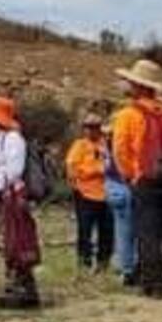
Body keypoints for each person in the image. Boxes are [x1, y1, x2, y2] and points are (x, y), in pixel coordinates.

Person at [111, 59, 162, 298]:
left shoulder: (128, 115)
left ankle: (153, 284)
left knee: (148, 233)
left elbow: (120, 151)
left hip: (146, 181)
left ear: (136, 85)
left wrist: (131, 176)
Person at [0, 95, 41, 309]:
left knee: (16, 242)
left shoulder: (13, 139)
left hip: (10, 196)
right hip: (0, 197)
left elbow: (13, 171)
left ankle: (22, 288)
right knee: (9, 242)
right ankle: (19, 287)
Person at [65, 113, 114, 272]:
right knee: (85, 230)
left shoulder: (105, 144)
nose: (91, 131)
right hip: (85, 194)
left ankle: (103, 262)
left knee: (107, 231)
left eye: (95, 127)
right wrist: (95, 171)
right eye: (88, 127)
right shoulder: (79, 146)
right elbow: (73, 169)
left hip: (106, 194)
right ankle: (84, 262)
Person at [103, 119, 137, 286]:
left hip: (115, 191)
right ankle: (131, 266)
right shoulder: (123, 149)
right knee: (130, 232)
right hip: (127, 189)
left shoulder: (108, 151)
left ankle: (126, 267)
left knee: (122, 231)